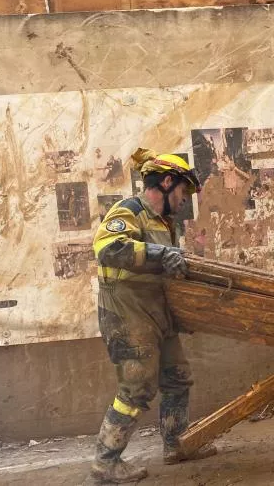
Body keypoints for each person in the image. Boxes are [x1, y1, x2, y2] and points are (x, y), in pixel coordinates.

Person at [89, 148, 214, 483]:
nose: (185, 200)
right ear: (167, 182)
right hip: (127, 313)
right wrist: (161, 253)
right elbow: (108, 248)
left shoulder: (164, 223)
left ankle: (176, 444)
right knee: (137, 387)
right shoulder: (130, 210)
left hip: (156, 312)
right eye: (183, 192)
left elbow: (163, 264)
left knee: (176, 377)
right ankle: (106, 460)